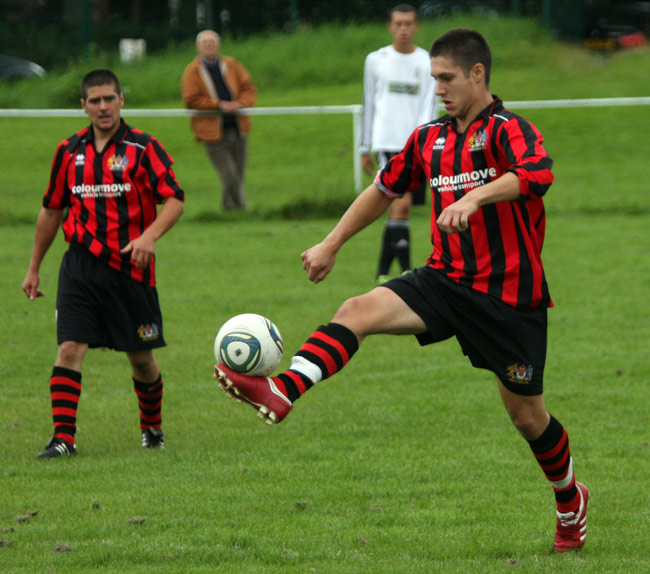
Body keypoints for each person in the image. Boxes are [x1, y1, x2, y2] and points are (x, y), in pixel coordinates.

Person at [214, 29, 589, 553]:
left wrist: (475, 197)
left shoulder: (508, 129)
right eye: (434, 78)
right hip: (444, 279)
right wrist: (331, 243)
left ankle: (570, 499)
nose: (438, 88)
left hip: (508, 296)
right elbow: (382, 189)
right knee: (357, 309)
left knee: (527, 418)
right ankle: (283, 391)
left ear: (477, 73)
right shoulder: (428, 138)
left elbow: (537, 174)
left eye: (447, 78)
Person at [22, 69, 185, 458]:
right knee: (69, 348)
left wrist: (149, 237)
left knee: (141, 359)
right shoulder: (69, 152)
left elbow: (174, 198)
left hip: (130, 267)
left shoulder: (143, 148)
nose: (103, 106)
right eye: (94, 100)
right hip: (79, 266)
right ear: (83, 106)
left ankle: (152, 429)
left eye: (109, 98)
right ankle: (64, 438)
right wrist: (34, 267)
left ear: (121, 100)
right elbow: (52, 210)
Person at [360, 4, 439, 283]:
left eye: (408, 24)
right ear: (390, 27)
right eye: (398, 24)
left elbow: (430, 105)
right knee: (401, 202)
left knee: (399, 207)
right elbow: (368, 102)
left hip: (417, 142)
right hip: (387, 141)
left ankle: (384, 272)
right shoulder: (376, 59)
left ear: (416, 26)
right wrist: (364, 147)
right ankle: (405, 271)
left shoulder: (428, 60)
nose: (403, 29)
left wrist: (425, 139)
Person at [182, 30, 256, 211]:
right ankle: (243, 209)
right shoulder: (192, 71)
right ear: (198, 47)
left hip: (238, 128)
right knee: (229, 175)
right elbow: (191, 100)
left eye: (212, 42)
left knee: (238, 174)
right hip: (212, 132)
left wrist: (240, 103)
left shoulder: (232, 65)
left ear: (218, 45)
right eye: (205, 43)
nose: (209, 46)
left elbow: (248, 88)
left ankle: (229, 209)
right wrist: (218, 105)